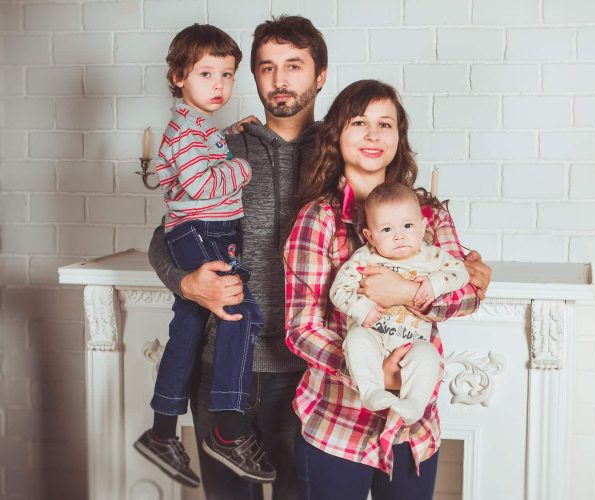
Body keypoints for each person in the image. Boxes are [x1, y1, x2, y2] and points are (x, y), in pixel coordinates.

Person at [148, 15, 329, 499]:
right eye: (267, 67)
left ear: (321, 75)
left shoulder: (342, 151)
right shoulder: (222, 145)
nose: (280, 79)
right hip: (222, 364)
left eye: (294, 65)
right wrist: (185, 284)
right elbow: (164, 235)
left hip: (305, 370)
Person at [284, 79, 490, 499]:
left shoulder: (428, 214)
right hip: (338, 423)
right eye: (359, 122)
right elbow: (301, 328)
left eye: (386, 124)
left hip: (414, 428)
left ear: (400, 137)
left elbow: (466, 294)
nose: (374, 135)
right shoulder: (318, 219)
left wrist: (402, 291)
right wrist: (372, 372)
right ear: (337, 135)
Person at [134, 23, 275, 487]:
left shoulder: (199, 128)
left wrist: (231, 134)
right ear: (178, 76)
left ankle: (161, 431)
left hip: (205, 230)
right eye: (206, 74)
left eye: (227, 75)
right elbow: (202, 183)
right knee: (240, 315)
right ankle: (229, 430)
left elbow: (204, 154)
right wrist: (242, 166)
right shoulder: (183, 132)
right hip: (200, 233)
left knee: (190, 328)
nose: (219, 85)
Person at [329, 182, 469, 424]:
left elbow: (461, 272)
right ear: (369, 236)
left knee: (428, 355)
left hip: (411, 342)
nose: (399, 235)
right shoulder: (364, 257)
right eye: (386, 230)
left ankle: (414, 403)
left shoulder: (431, 256)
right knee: (356, 340)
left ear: (423, 227)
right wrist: (362, 309)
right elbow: (338, 290)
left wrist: (435, 283)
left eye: (407, 225)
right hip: (374, 335)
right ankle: (371, 391)